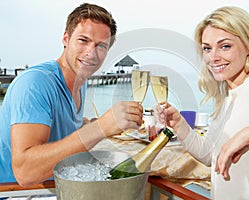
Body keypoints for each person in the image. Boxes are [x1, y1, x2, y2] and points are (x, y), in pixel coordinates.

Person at [155, 6, 249, 199]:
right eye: (207, 48)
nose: (213, 57)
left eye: (225, 46)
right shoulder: (230, 94)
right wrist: (179, 124)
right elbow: (209, 155)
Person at [0, 3, 143, 187]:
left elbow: (59, 128)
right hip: (17, 191)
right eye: (83, 40)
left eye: (101, 46)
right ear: (66, 39)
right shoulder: (34, 84)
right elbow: (25, 173)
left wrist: (92, 124)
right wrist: (101, 127)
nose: (91, 53)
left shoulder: (79, 82)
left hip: (57, 183)